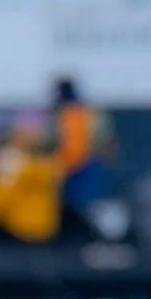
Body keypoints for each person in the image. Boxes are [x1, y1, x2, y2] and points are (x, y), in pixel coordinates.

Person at [0, 117, 63, 243]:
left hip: (26, 228)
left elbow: (1, 196)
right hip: (29, 228)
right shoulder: (49, 165)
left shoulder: (21, 163)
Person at [53, 77, 115, 209]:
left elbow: (103, 140)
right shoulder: (88, 111)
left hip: (81, 164)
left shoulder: (68, 112)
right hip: (75, 163)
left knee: (81, 202)